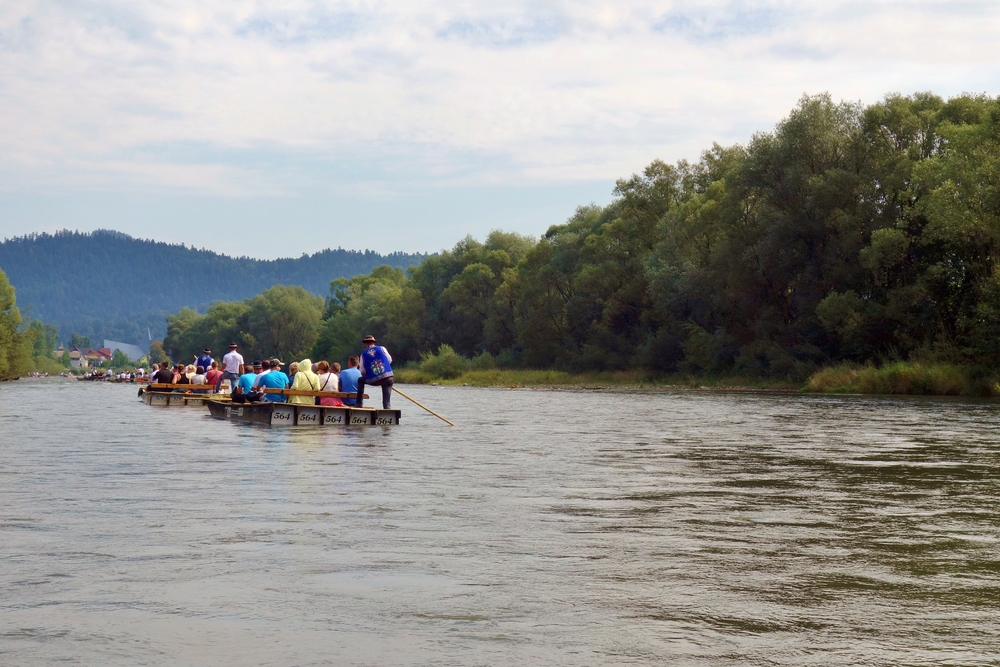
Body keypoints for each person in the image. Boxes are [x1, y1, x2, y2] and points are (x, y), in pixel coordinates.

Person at [357, 334, 393, 409]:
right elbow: (389, 360)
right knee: (386, 400)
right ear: (374, 343)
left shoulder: (363, 354)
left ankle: (359, 403)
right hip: (387, 377)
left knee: (360, 380)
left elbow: (362, 371)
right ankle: (387, 407)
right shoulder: (382, 348)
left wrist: (371, 374)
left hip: (373, 380)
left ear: (366, 343)